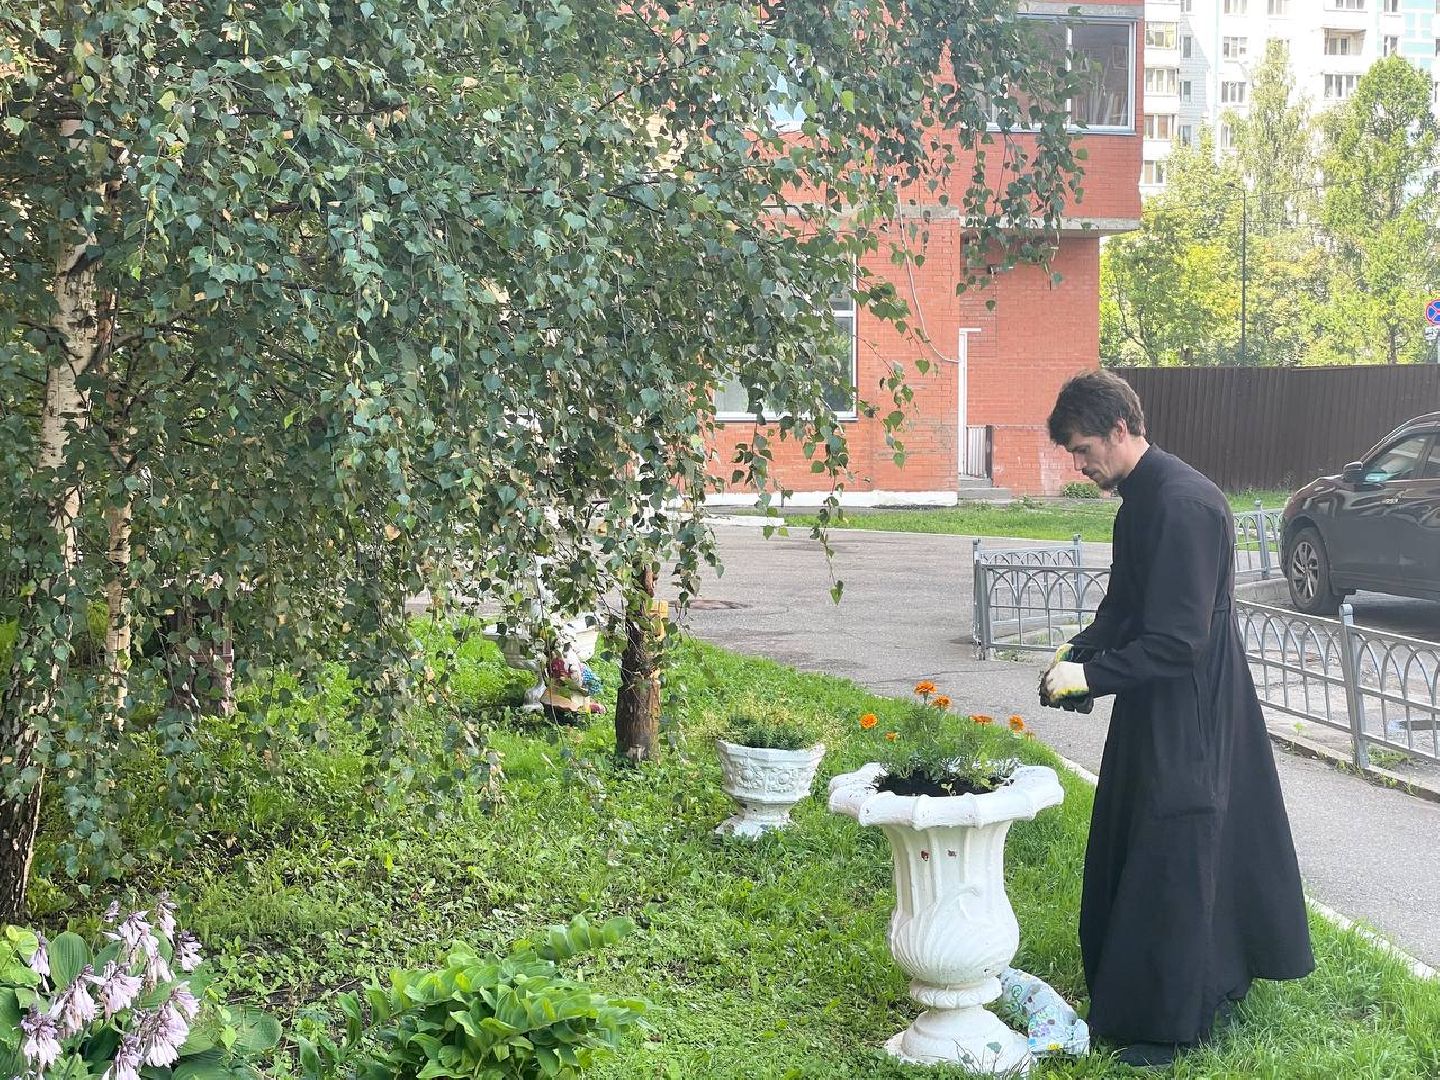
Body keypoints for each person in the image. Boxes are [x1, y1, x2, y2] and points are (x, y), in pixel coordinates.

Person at [1040, 370, 1314, 1069]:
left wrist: (1095, 674)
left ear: (1121, 430)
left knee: (1176, 855)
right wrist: (1081, 654)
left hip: (1191, 707)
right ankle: (1155, 990)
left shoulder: (1184, 503)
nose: (1079, 464)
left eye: (1083, 449)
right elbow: (1127, 605)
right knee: (1141, 841)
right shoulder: (1142, 499)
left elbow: (1179, 640)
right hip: (1155, 703)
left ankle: (1172, 1025)